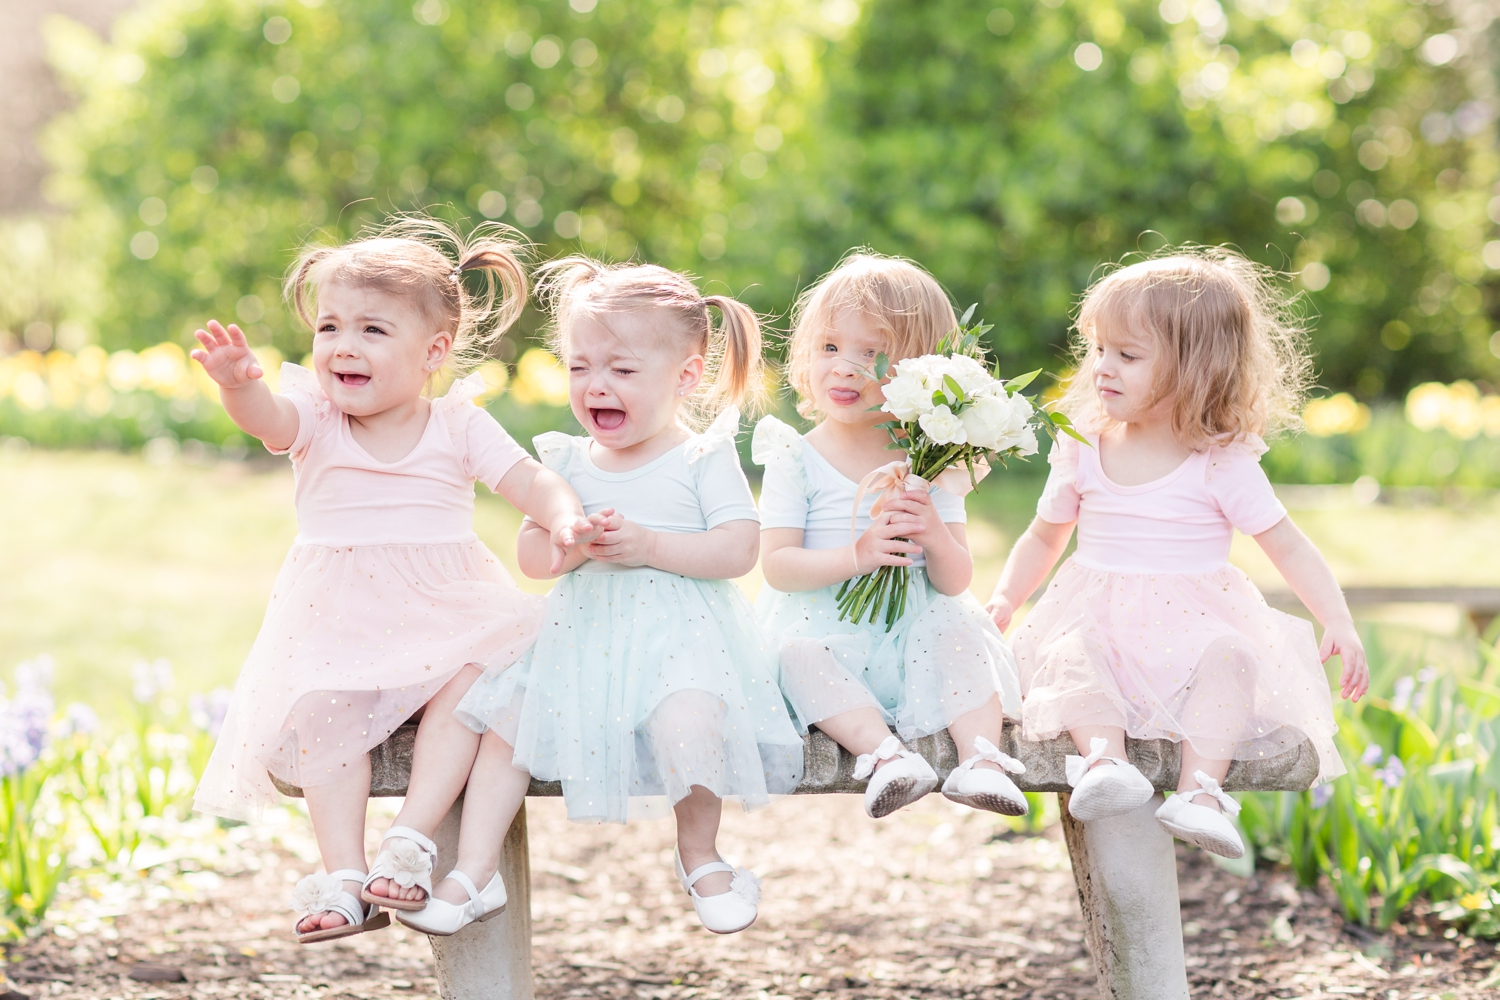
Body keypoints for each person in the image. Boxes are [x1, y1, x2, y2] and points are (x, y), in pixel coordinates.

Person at [190, 218, 597, 943]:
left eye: (372, 330)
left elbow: (531, 483)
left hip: (448, 613)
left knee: (474, 689)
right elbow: (268, 420)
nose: (342, 345)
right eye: (329, 326)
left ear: (432, 352)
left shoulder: (458, 425)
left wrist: (564, 517)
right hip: (341, 623)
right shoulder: (315, 417)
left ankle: (408, 843)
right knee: (322, 711)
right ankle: (346, 879)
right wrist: (237, 387)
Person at [418, 258, 802, 938]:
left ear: (684, 376)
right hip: (581, 644)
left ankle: (701, 854)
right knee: (507, 726)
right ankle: (474, 871)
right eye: (579, 367)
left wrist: (652, 547)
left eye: (621, 371)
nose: (596, 386)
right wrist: (566, 546)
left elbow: (740, 549)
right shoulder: (565, 462)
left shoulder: (700, 456)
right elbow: (532, 559)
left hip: (679, 643)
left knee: (691, 719)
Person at [986, 248, 1368, 859]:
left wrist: (1338, 619)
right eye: (1099, 349)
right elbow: (1044, 533)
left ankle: (1201, 793)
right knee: (1070, 657)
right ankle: (1104, 763)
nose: (1103, 367)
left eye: (1128, 355)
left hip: (1190, 631)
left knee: (1234, 659)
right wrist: (1007, 596)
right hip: (1096, 618)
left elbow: (1288, 545)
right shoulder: (1085, 444)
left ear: (1196, 370)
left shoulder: (1221, 460)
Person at [754, 252, 1025, 821]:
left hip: (916, 630)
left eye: (871, 353)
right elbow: (776, 564)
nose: (845, 368)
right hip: (822, 623)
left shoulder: (934, 460)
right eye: (829, 347)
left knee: (957, 630)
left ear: (921, 372)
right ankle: (883, 755)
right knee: (793, 657)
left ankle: (983, 760)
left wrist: (934, 534)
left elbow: (956, 582)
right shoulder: (795, 457)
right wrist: (857, 555)